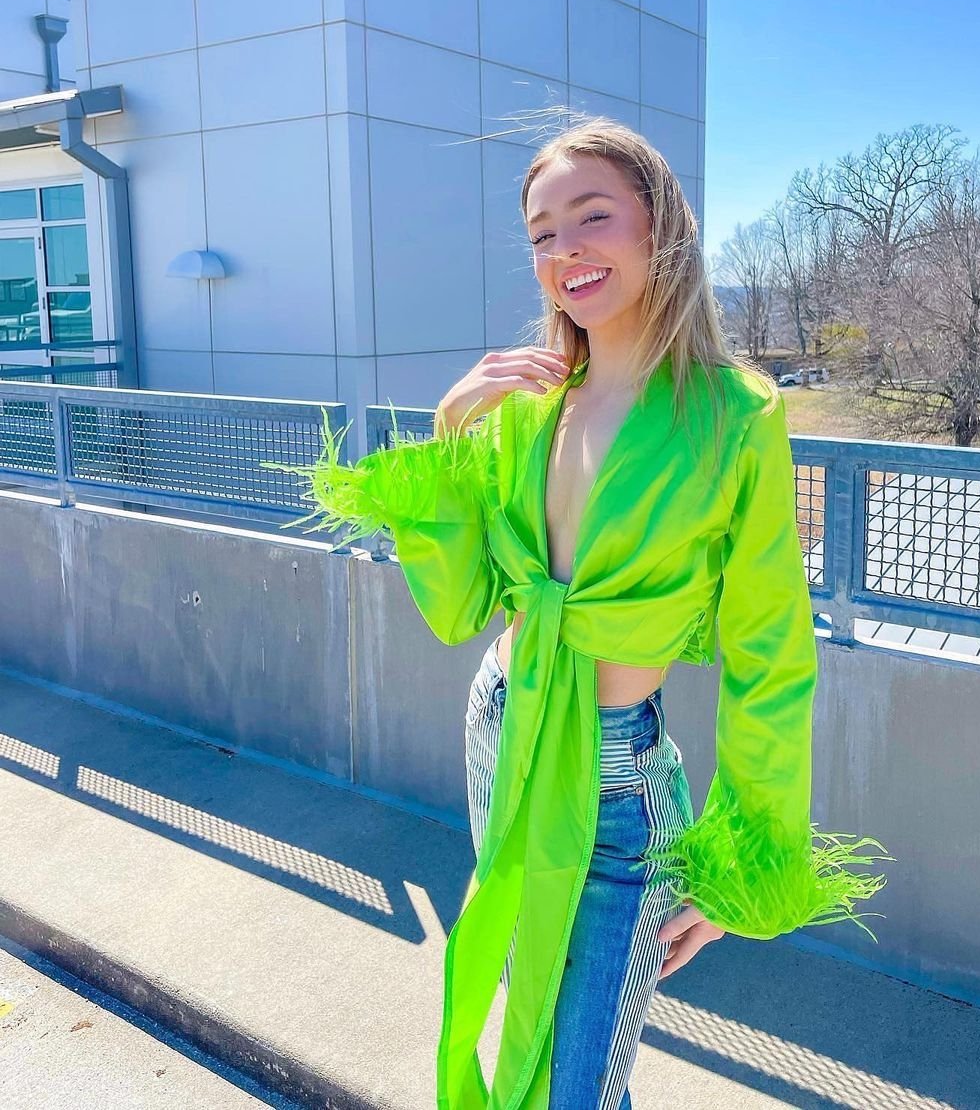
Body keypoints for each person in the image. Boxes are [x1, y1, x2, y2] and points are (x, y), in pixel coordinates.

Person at [285, 117, 892, 1110]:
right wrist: (449, 431)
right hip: (505, 724)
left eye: (592, 215)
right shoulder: (527, 403)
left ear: (660, 225)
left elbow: (771, 650)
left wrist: (743, 863)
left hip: (620, 781)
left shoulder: (733, 414)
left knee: (577, 1082)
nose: (565, 248)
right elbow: (460, 606)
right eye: (541, 232)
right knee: (526, 1008)